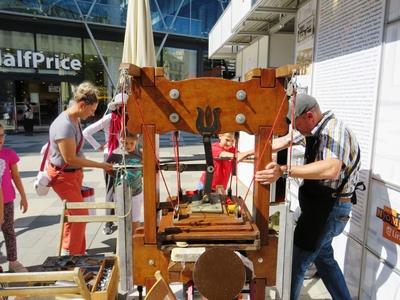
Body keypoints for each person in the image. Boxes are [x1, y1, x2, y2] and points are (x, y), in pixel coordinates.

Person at [255, 94, 361, 300]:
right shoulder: (312, 129)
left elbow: (331, 168)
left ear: (309, 116)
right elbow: (281, 142)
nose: (295, 129)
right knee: (325, 261)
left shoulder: (334, 129)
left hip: (331, 209)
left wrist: (284, 169)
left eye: (296, 124)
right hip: (319, 207)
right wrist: (245, 153)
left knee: (296, 265)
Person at [47, 81, 113, 256]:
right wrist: (101, 165)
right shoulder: (65, 125)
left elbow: (76, 153)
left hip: (72, 175)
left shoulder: (74, 120)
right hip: (63, 176)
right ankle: (76, 257)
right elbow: (70, 159)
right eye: (92, 110)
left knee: (74, 214)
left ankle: (69, 250)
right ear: (82, 105)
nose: (92, 114)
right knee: (80, 215)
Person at [83, 92, 129, 234]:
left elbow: (86, 132)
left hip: (110, 156)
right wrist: (98, 146)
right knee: (125, 188)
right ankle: (120, 221)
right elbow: (86, 132)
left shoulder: (109, 118)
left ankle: (110, 224)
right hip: (122, 156)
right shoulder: (129, 119)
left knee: (112, 189)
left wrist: (98, 146)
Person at [0, 123, 29, 272]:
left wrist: (23, 196)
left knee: (9, 230)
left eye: (2, 135)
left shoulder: (8, 153)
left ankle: (13, 262)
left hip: (7, 201)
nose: (0, 139)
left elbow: (16, 176)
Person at [107, 133, 143, 233]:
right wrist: (115, 175)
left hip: (137, 191)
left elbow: (145, 167)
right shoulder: (116, 154)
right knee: (122, 218)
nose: (129, 146)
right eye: (126, 143)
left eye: (132, 143)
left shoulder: (140, 154)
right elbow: (107, 167)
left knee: (135, 218)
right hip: (120, 192)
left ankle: (136, 239)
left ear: (136, 143)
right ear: (121, 142)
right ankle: (123, 241)